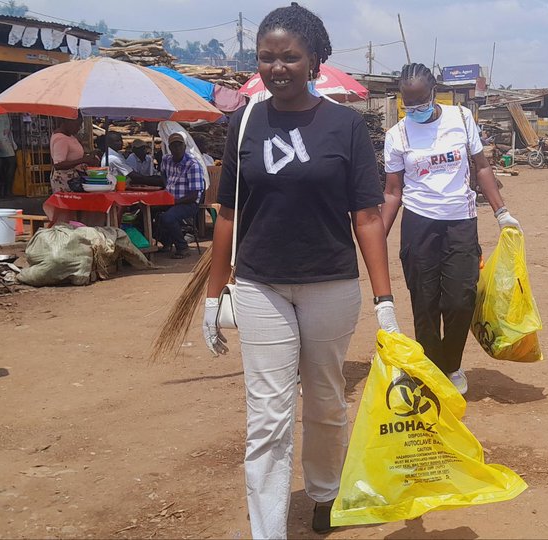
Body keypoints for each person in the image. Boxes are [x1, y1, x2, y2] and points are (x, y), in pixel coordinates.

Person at [201, 4, 397, 536]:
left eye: (290, 57)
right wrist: (215, 295)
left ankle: (324, 491)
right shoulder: (243, 123)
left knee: (327, 400)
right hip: (261, 284)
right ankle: (267, 528)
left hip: (330, 285)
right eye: (266, 58)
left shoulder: (345, 126)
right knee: (267, 415)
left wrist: (385, 303)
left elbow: (366, 215)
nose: (277, 67)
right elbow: (227, 213)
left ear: (314, 59)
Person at [381, 63, 521, 397]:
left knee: (461, 300)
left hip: (460, 221)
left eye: (421, 102)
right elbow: (392, 192)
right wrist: (376, 234)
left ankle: (452, 364)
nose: (415, 110)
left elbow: (482, 167)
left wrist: (502, 212)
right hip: (418, 225)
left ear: (434, 92)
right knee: (425, 303)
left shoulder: (460, 119)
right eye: (408, 104)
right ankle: (433, 369)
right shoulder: (397, 135)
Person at [156, 133, 205, 258]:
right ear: (170, 148)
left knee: (168, 218)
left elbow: (194, 195)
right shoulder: (166, 159)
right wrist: (166, 185)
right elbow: (162, 173)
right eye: (174, 146)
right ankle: (166, 241)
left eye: (179, 145)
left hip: (188, 203)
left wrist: (175, 202)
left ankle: (182, 247)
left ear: (184, 146)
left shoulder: (192, 165)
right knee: (142, 213)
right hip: (169, 200)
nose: (177, 149)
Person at [49, 115, 97, 193]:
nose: (79, 127)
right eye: (77, 124)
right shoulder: (61, 139)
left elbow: (74, 155)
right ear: (67, 122)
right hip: (65, 181)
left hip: (74, 179)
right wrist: (82, 160)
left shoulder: (69, 136)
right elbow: (58, 165)